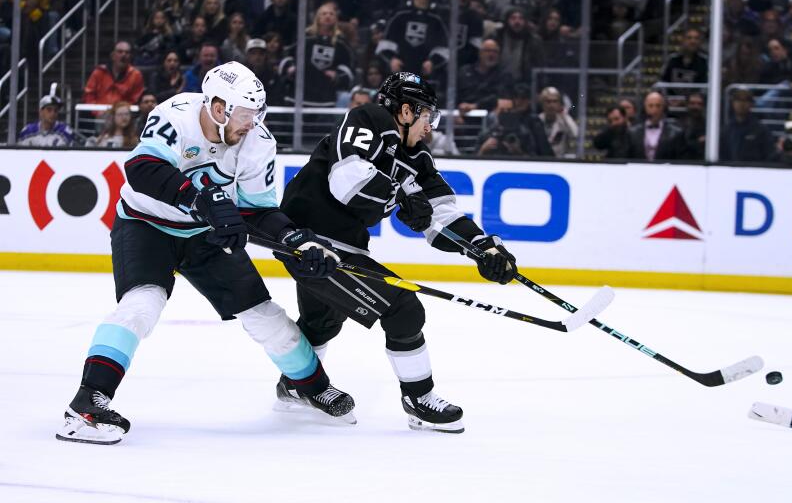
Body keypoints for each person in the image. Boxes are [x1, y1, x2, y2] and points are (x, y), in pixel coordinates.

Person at [56, 62, 355, 445]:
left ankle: (309, 386)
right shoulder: (175, 114)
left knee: (264, 314)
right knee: (141, 305)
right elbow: (142, 168)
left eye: (257, 114)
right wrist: (198, 199)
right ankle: (86, 405)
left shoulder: (258, 142)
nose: (252, 123)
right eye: (246, 114)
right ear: (218, 107)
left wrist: (296, 239)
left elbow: (257, 210)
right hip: (145, 225)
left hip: (204, 236)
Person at [275, 72, 518, 433]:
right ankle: (419, 399)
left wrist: (484, 248)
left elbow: (441, 214)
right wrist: (399, 195)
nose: (430, 127)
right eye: (427, 116)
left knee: (323, 321)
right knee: (403, 309)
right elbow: (347, 179)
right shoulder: (368, 118)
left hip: (342, 244)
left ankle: (296, 382)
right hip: (308, 242)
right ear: (406, 110)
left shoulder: (417, 157)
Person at [376, 0, 449, 81]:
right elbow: (386, 44)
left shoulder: (436, 19)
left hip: (426, 75)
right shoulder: (400, 15)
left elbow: (443, 48)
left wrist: (433, 62)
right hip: (400, 73)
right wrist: (392, 59)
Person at [82, 41, 145, 106]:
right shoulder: (99, 72)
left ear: (130, 56)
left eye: (127, 52)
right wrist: (96, 111)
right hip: (99, 112)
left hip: (124, 113)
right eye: (120, 52)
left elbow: (136, 99)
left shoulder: (136, 75)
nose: (124, 55)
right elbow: (89, 94)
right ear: (112, 55)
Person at [628, 91, 686, 161]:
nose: (654, 110)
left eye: (658, 106)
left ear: (663, 107)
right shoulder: (632, 132)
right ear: (645, 107)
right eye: (650, 106)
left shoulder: (676, 133)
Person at [720, 88, 774, 162]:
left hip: (754, 170)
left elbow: (768, 154)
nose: (741, 104)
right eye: (738, 100)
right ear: (732, 103)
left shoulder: (761, 130)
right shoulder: (726, 129)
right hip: (730, 170)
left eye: (745, 100)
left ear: (751, 104)